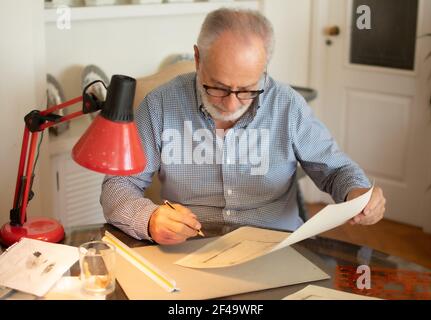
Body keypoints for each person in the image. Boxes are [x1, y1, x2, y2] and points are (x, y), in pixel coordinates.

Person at [101, 8, 386, 245]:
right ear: (198, 59)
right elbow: (118, 184)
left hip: (276, 246)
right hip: (193, 248)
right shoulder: (160, 104)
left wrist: (357, 193)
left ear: (264, 69)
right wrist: (149, 219)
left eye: (248, 89)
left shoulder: (287, 104)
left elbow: (336, 170)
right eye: (219, 87)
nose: (231, 103)